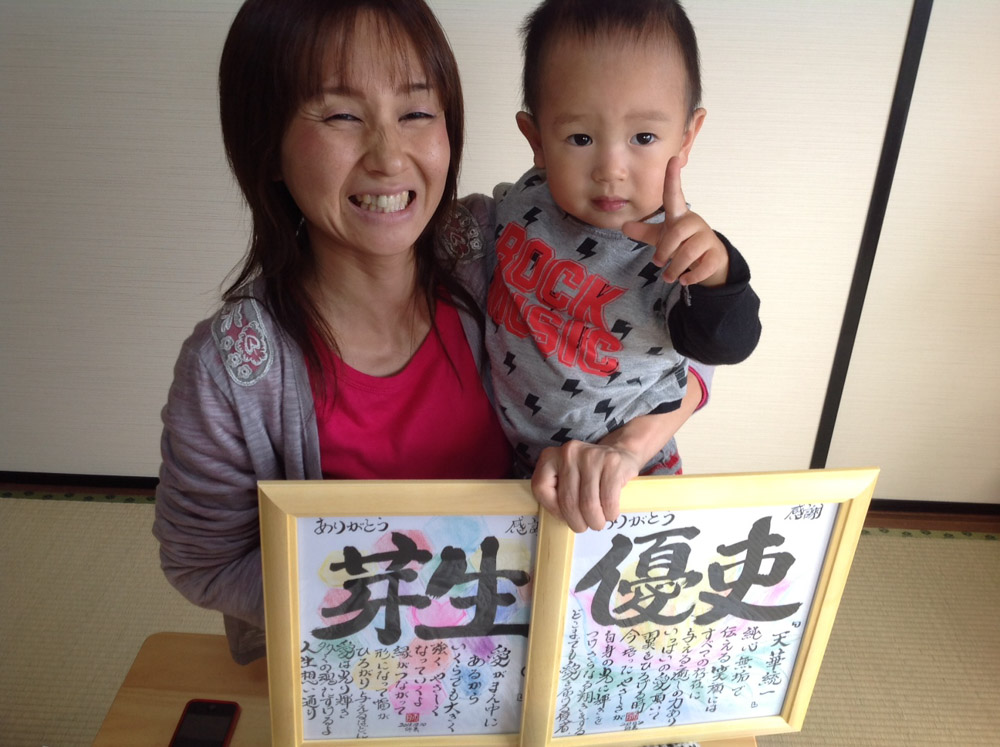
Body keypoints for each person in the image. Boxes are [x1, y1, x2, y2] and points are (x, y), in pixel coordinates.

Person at [153, 0, 715, 666]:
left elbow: (683, 354)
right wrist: (412, 605)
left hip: (538, 639)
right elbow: (206, 562)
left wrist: (625, 448)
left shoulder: (502, 245)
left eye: (417, 112)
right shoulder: (231, 371)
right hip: (363, 661)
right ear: (266, 142)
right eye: (341, 116)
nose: (389, 157)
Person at [486, 0, 761, 531]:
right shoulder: (522, 200)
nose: (611, 169)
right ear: (536, 140)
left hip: (627, 478)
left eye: (643, 138)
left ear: (687, 137)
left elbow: (725, 344)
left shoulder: (675, 250)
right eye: (580, 138)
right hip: (513, 470)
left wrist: (716, 273)